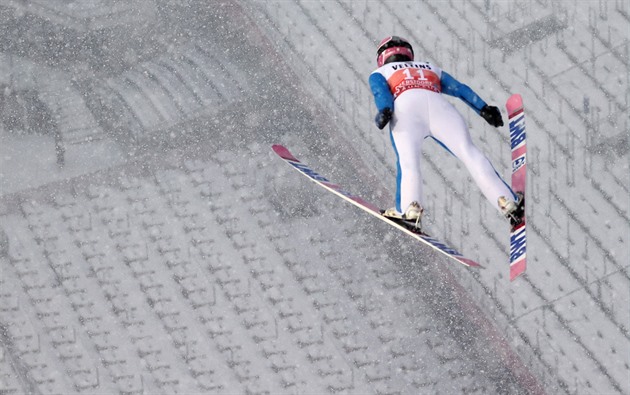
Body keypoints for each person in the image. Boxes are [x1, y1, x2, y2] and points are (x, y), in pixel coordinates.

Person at [369, 36, 523, 230]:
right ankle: (507, 201)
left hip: (405, 110)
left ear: (382, 57)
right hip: (439, 107)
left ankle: (410, 209)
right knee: (469, 153)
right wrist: (483, 108)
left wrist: (384, 110)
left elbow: (380, 93)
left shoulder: (379, 72)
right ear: (409, 53)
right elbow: (459, 89)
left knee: (409, 163)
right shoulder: (428, 67)